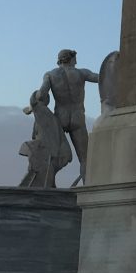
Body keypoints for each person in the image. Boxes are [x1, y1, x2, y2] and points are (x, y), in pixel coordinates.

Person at [29, 49, 102, 187]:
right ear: (72, 59)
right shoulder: (81, 73)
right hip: (77, 118)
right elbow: (101, 78)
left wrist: (35, 99)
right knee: (85, 159)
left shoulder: (50, 75)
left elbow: (41, 94)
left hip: (60, 118)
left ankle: (45, 183)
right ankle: (88, 189)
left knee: (51, 154)